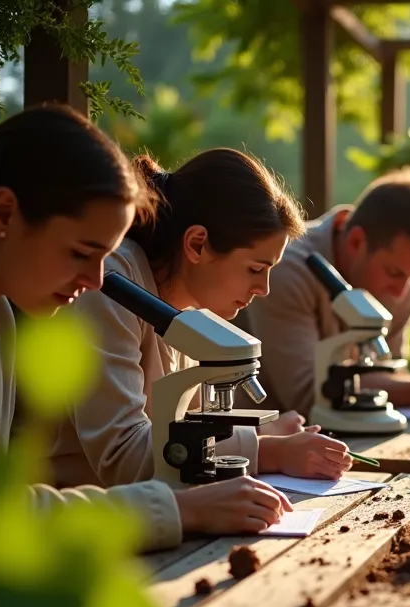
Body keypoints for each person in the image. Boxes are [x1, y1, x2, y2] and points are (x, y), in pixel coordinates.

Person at [0, 105, 292, 552]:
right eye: (82, 253)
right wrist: (190, 505)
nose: (97, 281)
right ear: (3, 215)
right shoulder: (113, 291)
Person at [48, 149, 354, 491]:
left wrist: (258, 434)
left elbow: (185, 432)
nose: (263, 289)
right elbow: (123, 459)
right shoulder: (111, 287)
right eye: (255, 269)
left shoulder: (191, 302)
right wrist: (272, 451)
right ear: (197, 244)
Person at [235, 168, 410, 418]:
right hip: (261, 442)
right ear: (356, 242)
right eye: (394, 273)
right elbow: (307, 395)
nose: (401, 292)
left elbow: (388, 373)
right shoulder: (285, 269)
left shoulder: (405, 283)